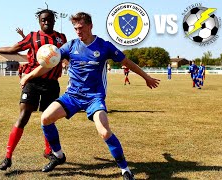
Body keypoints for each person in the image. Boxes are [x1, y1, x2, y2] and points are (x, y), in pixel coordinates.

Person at [20, 12, 160, 180]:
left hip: (94, 97)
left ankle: (125, 170)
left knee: (104, 131)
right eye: (75, 28)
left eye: (81, 27)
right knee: (46, 118)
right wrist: (29, 76)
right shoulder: (70, 46)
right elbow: (48, 64)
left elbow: (127, 62)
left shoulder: (104, 46)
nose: (78, 31)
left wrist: (147, 77)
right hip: (72, 96)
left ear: (90, 26)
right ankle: (58, 155)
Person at [0, 8, 67, 170]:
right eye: (43, 20)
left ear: (54, 21)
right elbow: (13, 49)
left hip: (52, 84)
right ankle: (8, 157)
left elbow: (66, 56)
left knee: (49, 119)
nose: (46, 22)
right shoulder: (32, 37)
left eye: (49, 19)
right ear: (39, 21)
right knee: (23, 116)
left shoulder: (61, 38)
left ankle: (50, 152)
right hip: (32, 82)